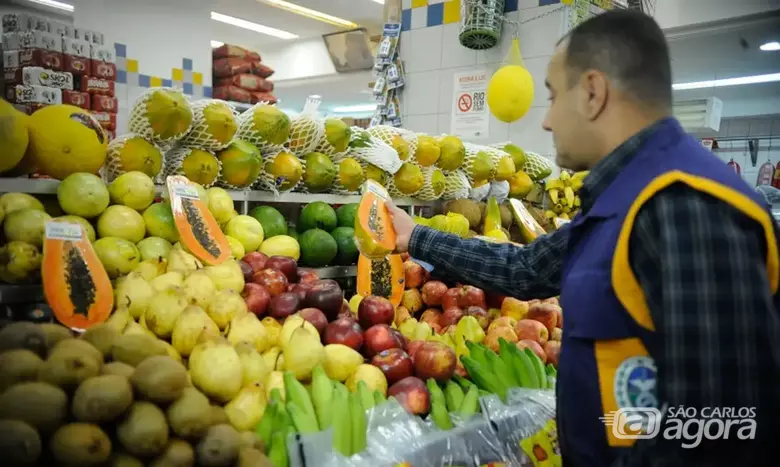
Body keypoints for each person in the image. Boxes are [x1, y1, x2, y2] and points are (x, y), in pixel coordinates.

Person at [388, 9, 780, 467]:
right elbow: (527, 268)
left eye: (554, 96)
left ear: (593, 92)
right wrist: (415, 235)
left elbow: (719, 430)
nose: (548, 121)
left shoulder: (684, 207)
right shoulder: (625, 198)